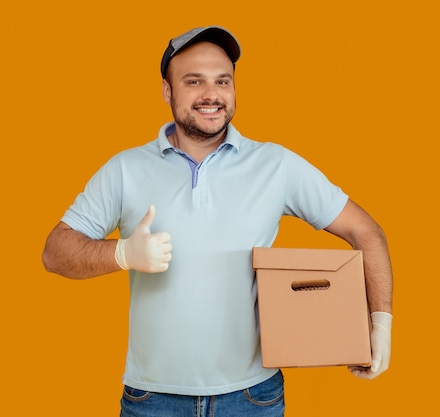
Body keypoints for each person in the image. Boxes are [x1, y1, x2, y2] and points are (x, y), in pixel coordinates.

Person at [42, 26, 393, 417]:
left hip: (253, 398)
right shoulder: (125, 169)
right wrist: (121, 253)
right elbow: (55, 252)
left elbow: (365, 230)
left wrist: (380, 323)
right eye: (194, 81)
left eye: (222, 81)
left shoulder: (275, 165)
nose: (211, 94)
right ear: (167, 91)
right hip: (152, 399)